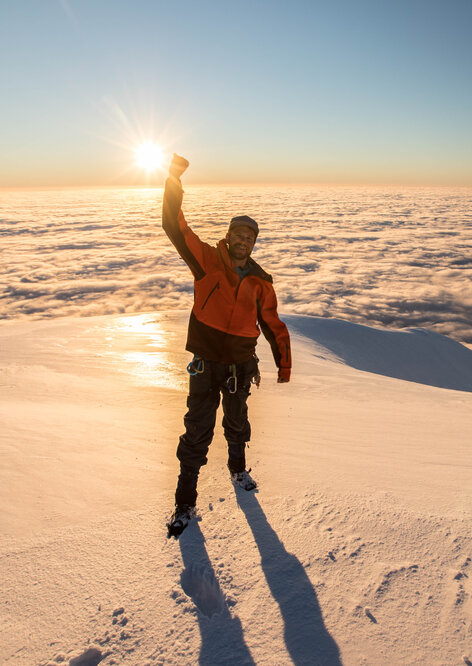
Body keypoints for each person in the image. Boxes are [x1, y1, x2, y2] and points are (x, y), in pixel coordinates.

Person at [161, 154, 291, 538]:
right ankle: (185, 503)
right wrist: (173, 180)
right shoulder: (206, 261)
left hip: (239, 367)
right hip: (205, 365)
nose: (243, 241)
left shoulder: (260, 282)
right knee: (197, 430)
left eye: (250, 238)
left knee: (237, 423)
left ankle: (238, 469)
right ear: (229, 235)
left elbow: (272, 324)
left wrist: (283, 364)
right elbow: (174, 225)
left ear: (253, 244)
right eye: (238, 234)